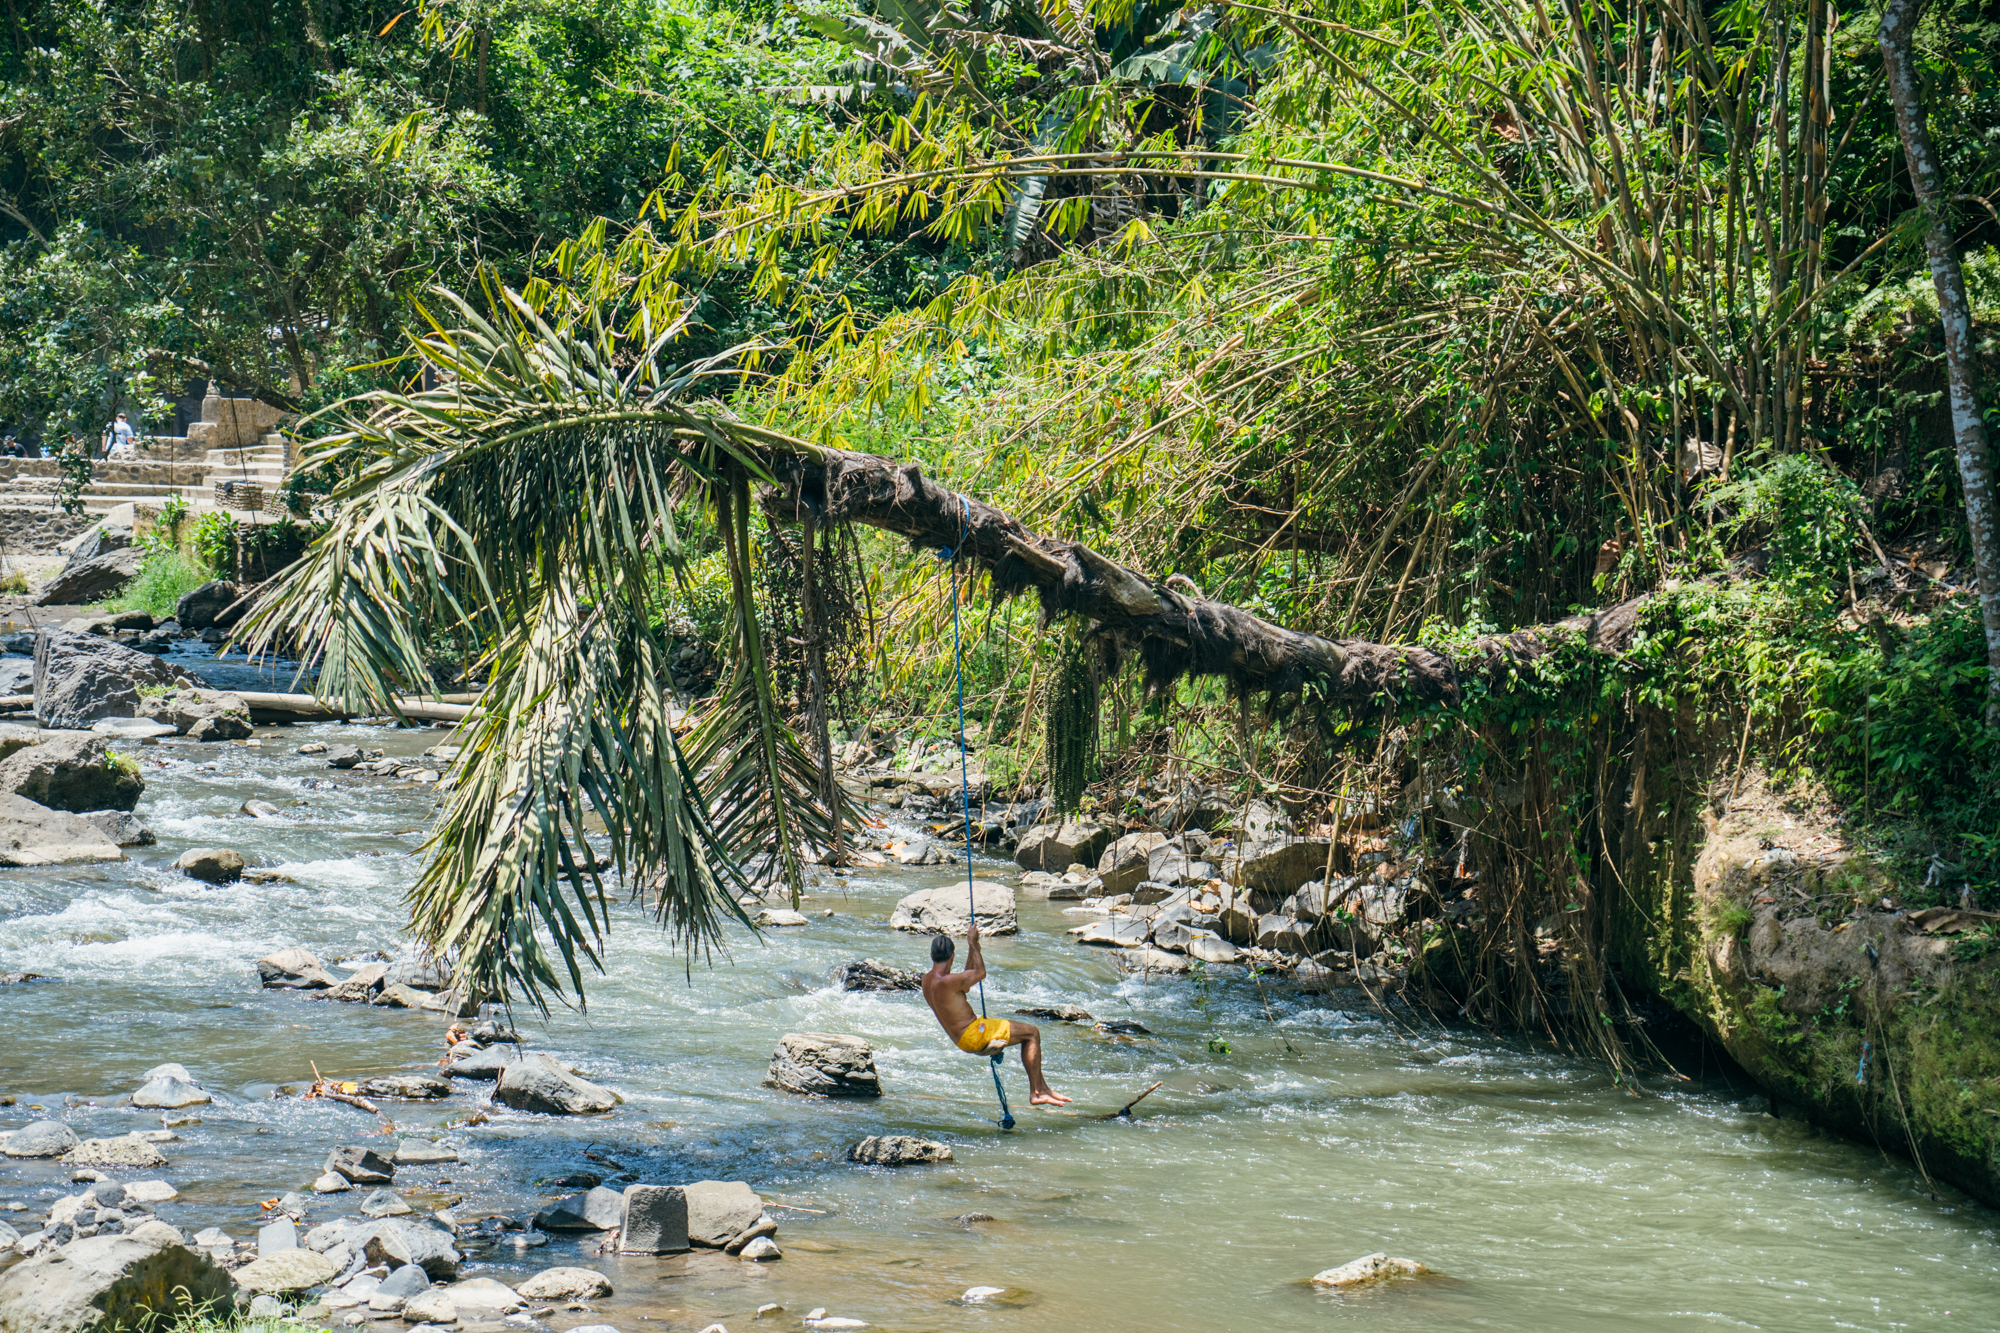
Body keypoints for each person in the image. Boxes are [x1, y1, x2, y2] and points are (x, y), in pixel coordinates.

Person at [920, 920, 1071, 1106]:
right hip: (975, 1034)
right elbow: (980, 972)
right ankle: (1036, 1092)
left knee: (1029, 1034)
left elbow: (966, 980)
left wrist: (971, 946)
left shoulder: (927, 981)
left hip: (961, 1039)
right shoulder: (948, 981)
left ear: (931, 956)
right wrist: (973, 943)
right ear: (952, 956)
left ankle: (1043, 1089)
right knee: (1032, 1033)